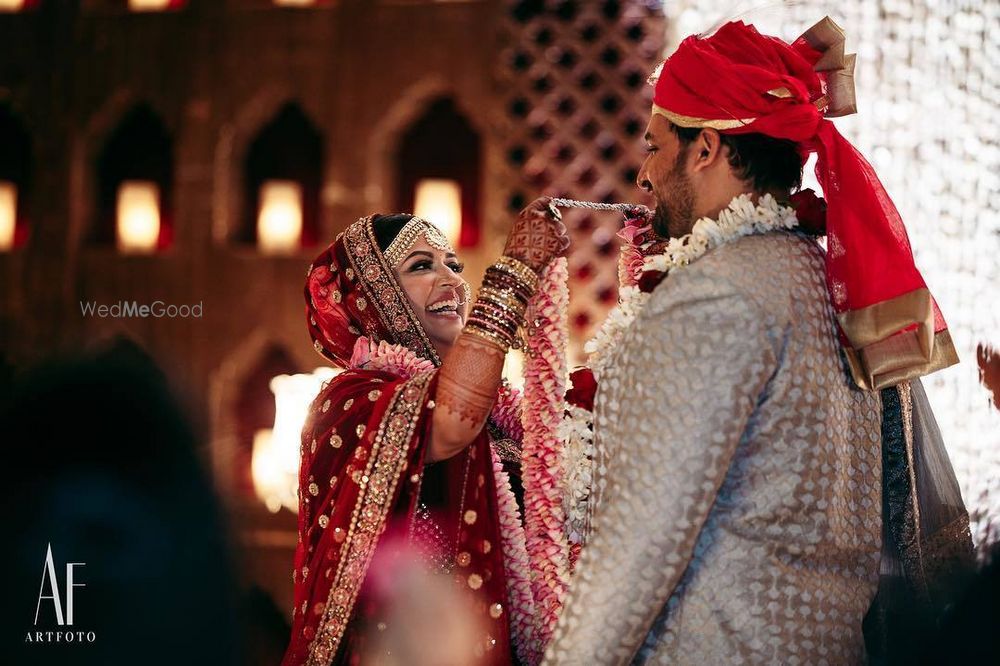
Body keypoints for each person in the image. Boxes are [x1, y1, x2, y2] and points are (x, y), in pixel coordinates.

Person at [540, 16, 973, 665]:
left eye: (655, 145)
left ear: (708, 147)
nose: (645, 175)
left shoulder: (712, 299)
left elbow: (637, 549)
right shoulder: (831, 285)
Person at [281, 209, 569, 665]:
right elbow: (452, 420)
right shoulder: (350, 401)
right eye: (421, 265)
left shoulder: (501, 411)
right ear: (373, 296)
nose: (453, 281)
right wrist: (513, 275)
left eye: (454, 264)